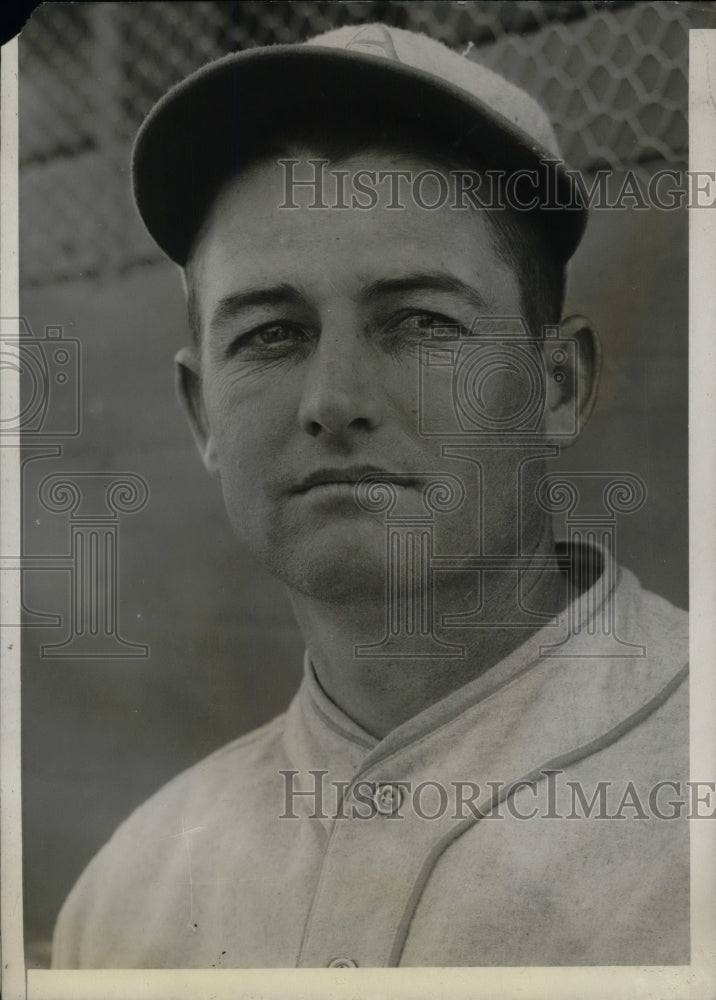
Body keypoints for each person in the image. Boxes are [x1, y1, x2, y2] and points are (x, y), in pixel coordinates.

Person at [51, 23, 688, 969]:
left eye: (421, 323)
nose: (335, 401)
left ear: (555, 384)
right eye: (271, 334)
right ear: (201, 413)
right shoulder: (128, 896)